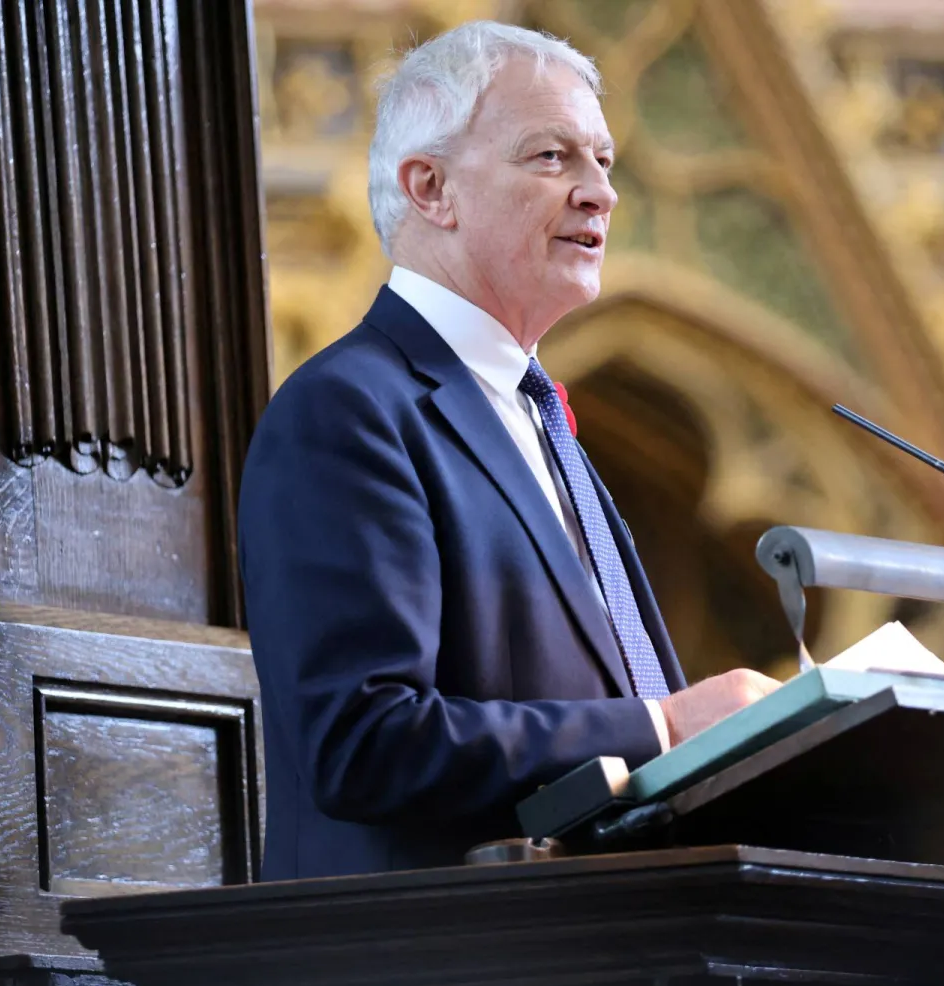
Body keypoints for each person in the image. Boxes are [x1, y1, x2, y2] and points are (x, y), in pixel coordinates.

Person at [239, 21, 781, 880]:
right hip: (432, 954)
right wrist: (664, 728)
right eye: (551, 157)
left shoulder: (539, 420)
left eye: (604, 160)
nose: (600, 192)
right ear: (431, 188)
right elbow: (363, 741)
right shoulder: (349, 412)